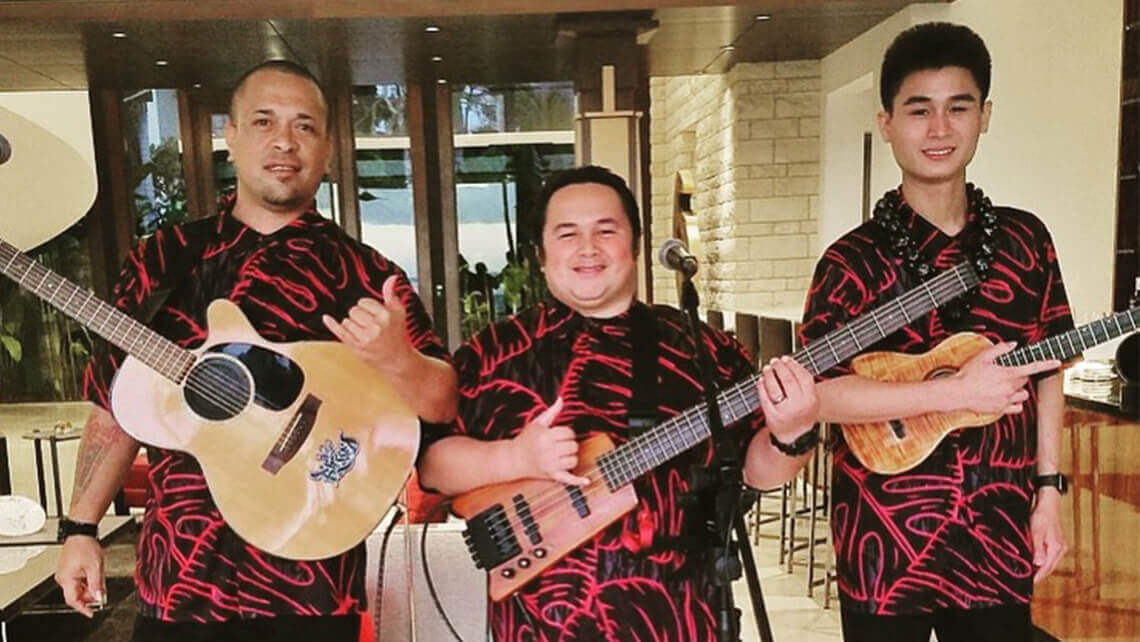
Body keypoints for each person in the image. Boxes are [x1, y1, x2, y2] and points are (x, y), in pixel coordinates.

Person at [53, 60, 457, 641]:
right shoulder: (163, 263)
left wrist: (400, 358)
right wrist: (79, 528)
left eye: (305, 126)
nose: (284, 142)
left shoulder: (365, 275)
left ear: (327, 148)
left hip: (311, 583)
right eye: (264, 121)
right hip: (180, 580)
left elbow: (442, 403)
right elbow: (116, 407)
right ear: (231, 137)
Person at [419, 165, 820, 641]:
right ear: (541, 255)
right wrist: (515, 457)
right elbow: (431, 467)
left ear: (634, 246)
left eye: (605, 231)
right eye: (567, 234)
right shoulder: (494, 353)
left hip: (680, 615)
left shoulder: (700, 348)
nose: (588, 248)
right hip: (540, 625)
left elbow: (756, 470)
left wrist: (792, 434)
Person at [802, 23, 1071, 641]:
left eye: (959, 108)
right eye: (919, 110)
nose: (940, 129)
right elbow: (821, 394)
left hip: (997, 524)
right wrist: (953, 395)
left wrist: (1048, 492)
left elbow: (1050, 366)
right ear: (887, 122)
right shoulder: (851, 262)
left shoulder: (1025, 241)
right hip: (885, 537)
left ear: (986, 116)